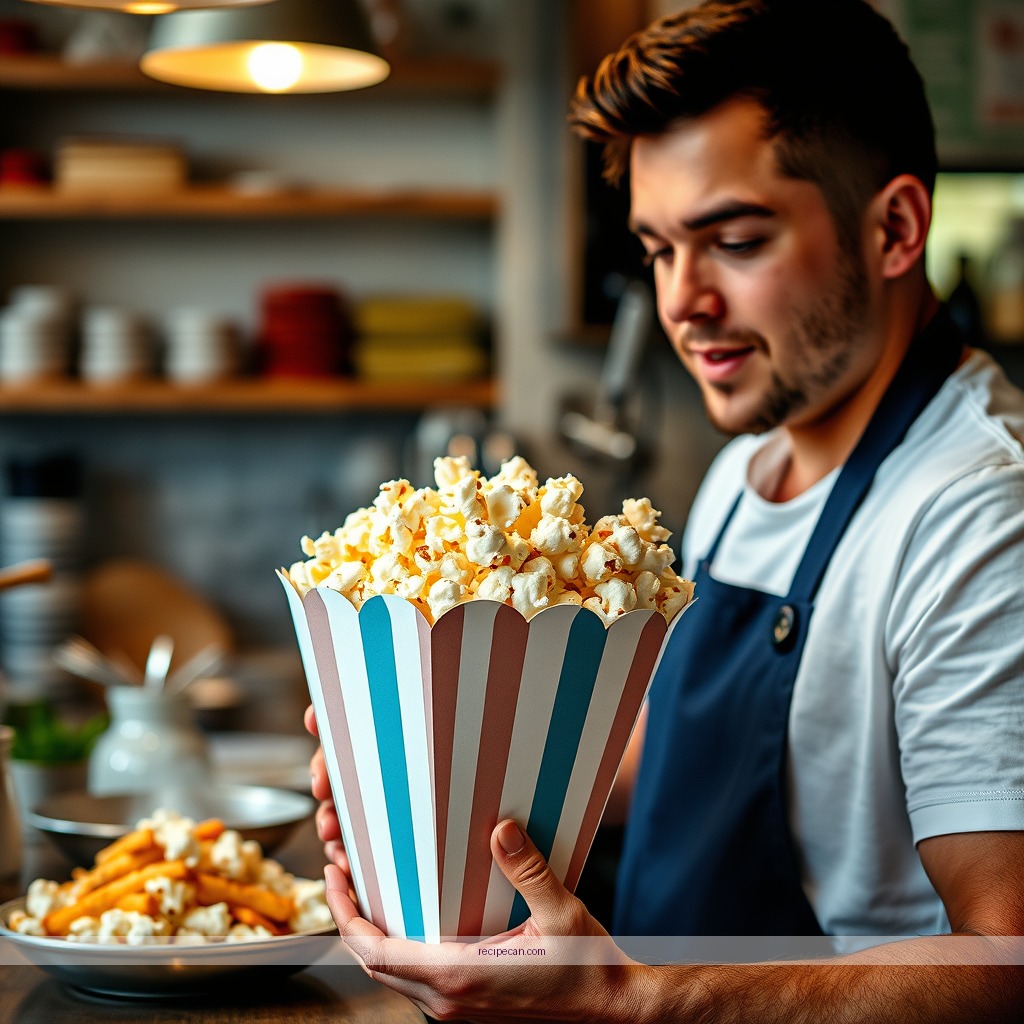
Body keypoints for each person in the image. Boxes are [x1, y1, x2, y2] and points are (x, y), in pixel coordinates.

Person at [306, 0, 1024, 1019]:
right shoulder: (746, 466)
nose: (681, 301)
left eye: (731, 239)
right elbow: (668, 761)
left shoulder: (977, 513)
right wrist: (430, 789)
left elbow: (1006, 959)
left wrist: (638, 1000)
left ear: (895, 228)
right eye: (656, 247)